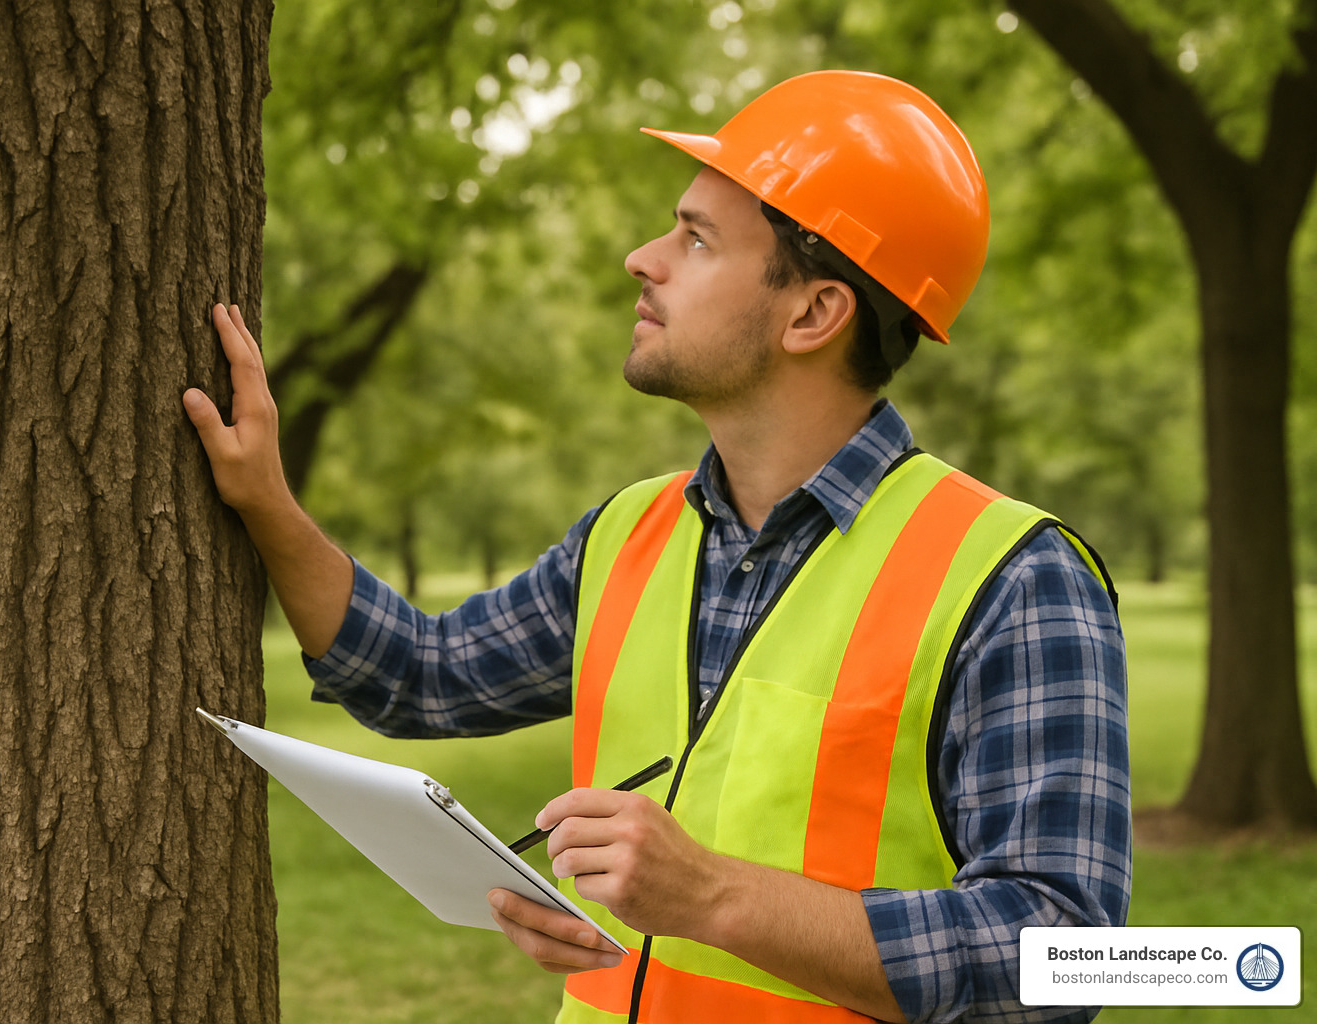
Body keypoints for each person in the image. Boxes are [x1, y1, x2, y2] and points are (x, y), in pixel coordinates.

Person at [182, 70, 1130, 1024]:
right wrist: (265, 501)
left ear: (813, 313)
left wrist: (713, 897)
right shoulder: (631, 532)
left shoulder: (1015, 578)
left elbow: (1073, 960)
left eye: (696, 239)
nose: (643, 258)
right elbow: (421, 676)